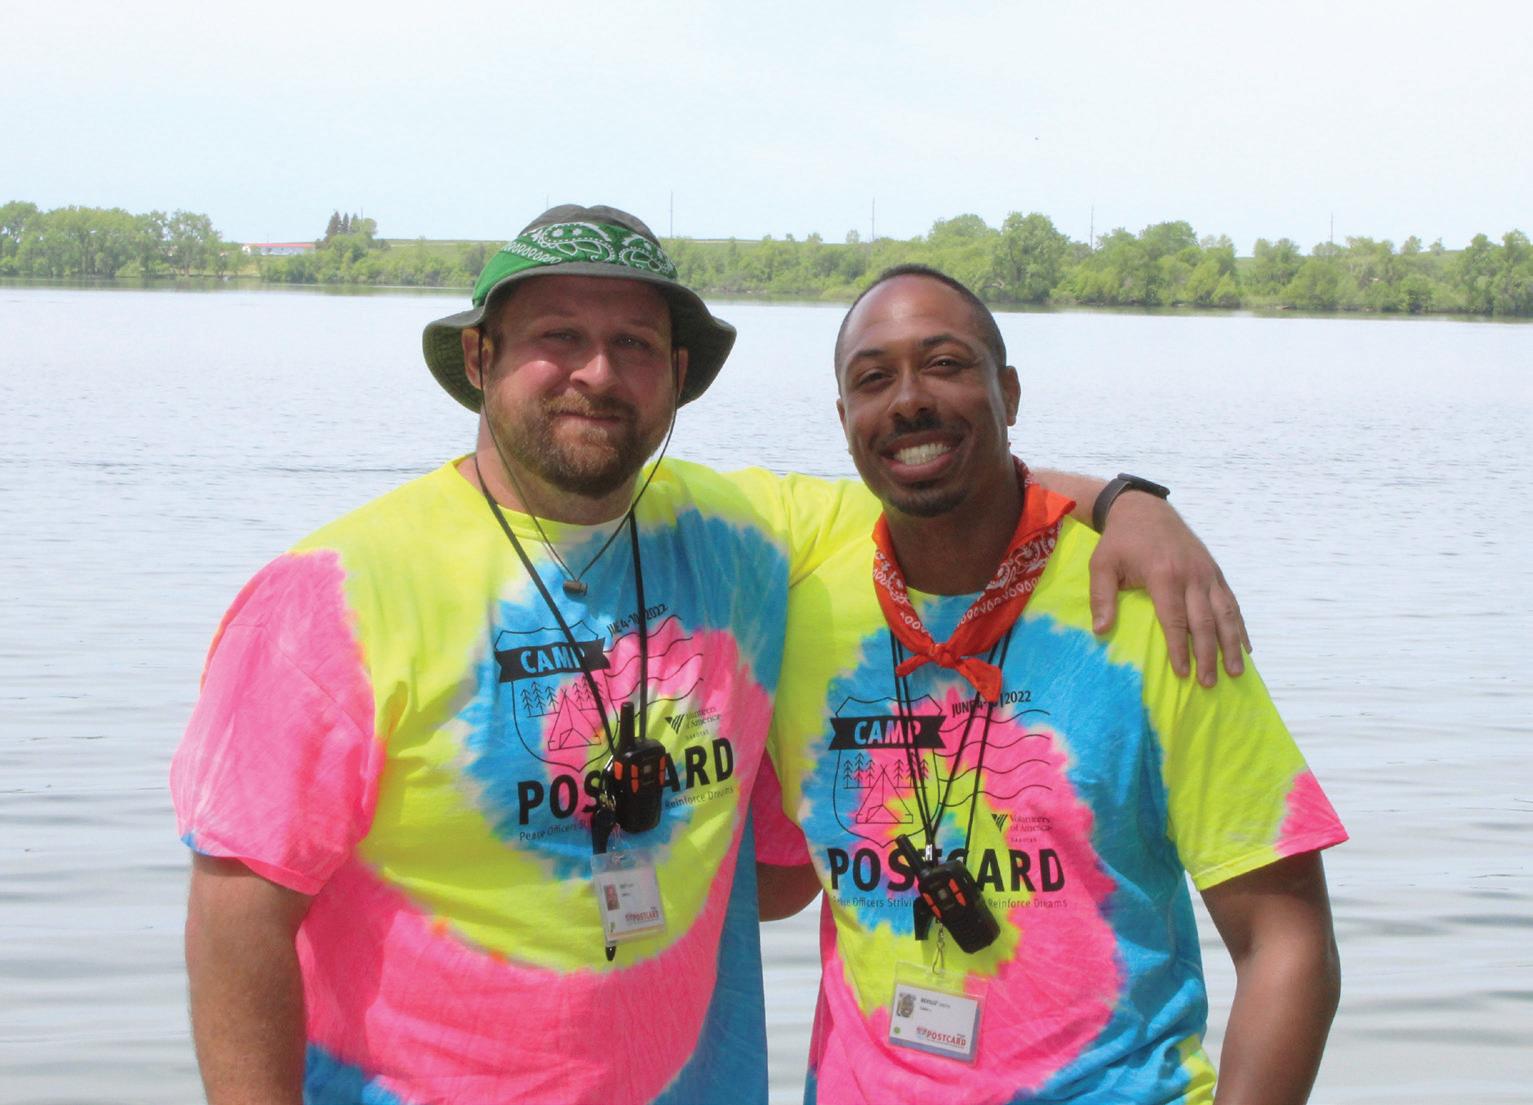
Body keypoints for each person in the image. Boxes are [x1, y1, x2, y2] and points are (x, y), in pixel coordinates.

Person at [173, 206, 1251, 1105]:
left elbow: (941, 470)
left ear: (678, 375)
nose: (597, 372)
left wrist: (1124, 501)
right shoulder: (334, 593)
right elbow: (236, 917)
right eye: (557, 335)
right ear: (480, 358)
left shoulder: (744, 536)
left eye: (635, 345)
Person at [756, 266, 1348, 1104]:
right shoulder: (802, 610)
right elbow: (777, 881)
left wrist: (1129, 501)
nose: (909, 399)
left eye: (944, 364)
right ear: (844, 418)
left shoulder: (1149, 609)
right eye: (873, 378)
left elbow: (1284, 941)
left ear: (1008, 391)